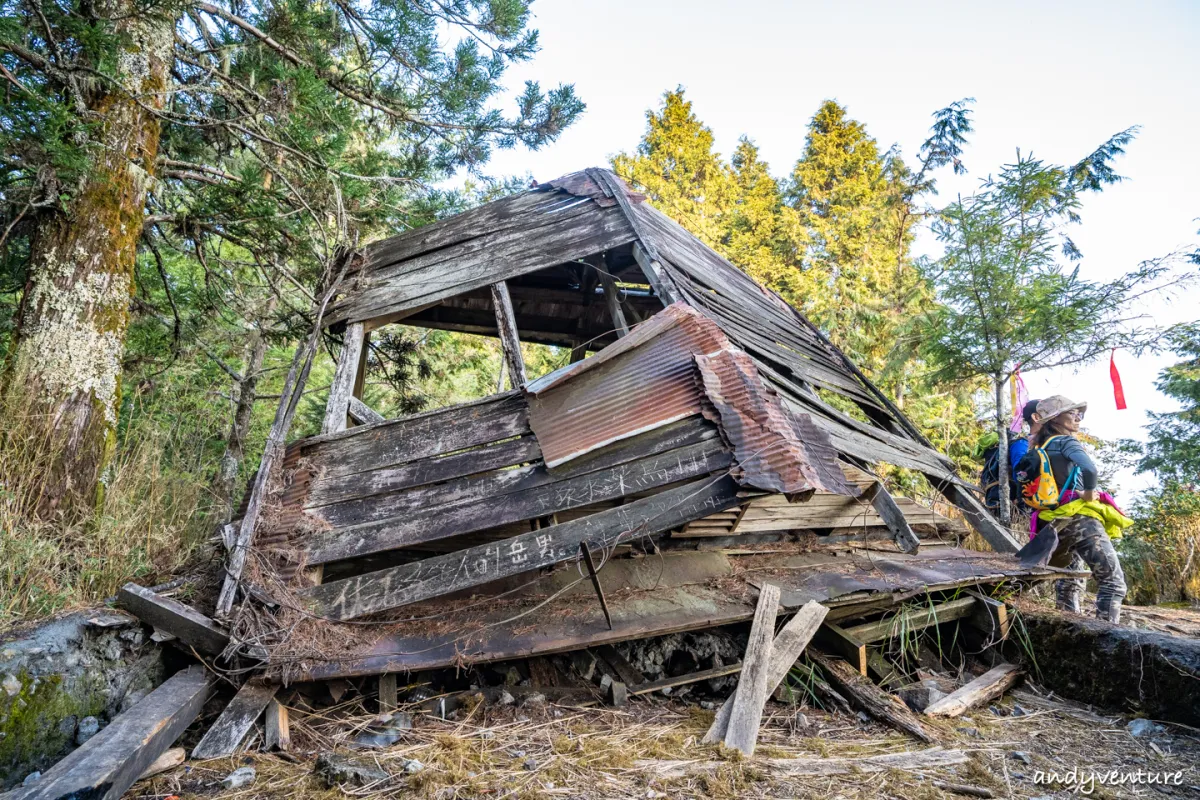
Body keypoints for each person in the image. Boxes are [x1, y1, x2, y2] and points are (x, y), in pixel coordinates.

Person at [1019, 395, 1126, 623]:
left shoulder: (1040, 446)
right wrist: (1088, 493)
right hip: (1080, 518)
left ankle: (1069, 628)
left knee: (1070, 580)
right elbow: (1090, 470)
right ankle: (1108, 638)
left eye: (1080, 414)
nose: (1078, 418)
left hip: (1054, 523)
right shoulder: (1066, 442)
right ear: (1055, 418)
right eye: (1073, 413)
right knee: (1113, 581)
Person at [980, 399, 1041, 516]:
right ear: (1036, 417)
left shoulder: (1031, 445)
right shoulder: (1022, 444)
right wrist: (1023, 501)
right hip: (1013, 507)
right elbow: (1020, 473)